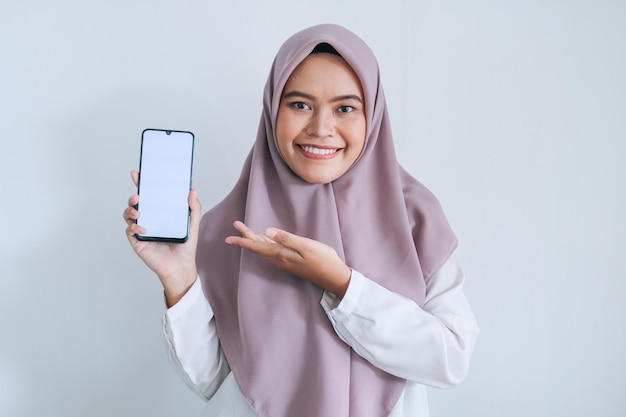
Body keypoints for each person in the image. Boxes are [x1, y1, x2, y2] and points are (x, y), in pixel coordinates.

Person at [124, 23, 479, 417]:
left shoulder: (414, 214)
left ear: (373, 114)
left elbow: (451, 359)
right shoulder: (231, 225)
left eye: (345, 108)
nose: (321, 128)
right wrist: (179, 280)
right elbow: (211, 376)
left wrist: (342, 284)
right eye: (299, 105)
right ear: (272, 108)